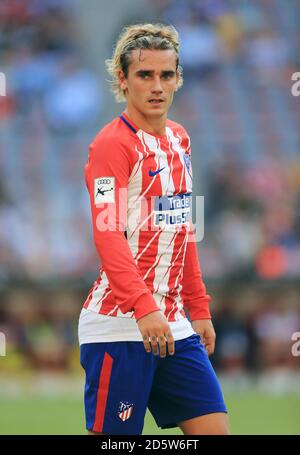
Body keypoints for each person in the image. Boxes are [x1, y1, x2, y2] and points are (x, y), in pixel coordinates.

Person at [78, 22, 229, 436]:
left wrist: (198, 307)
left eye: (167, 74)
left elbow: (183, 229)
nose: (157, 85)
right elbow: (107, 234)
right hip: (119, 324)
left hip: (175, 323)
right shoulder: (111, 145)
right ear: (123, 80)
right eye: (145, 75)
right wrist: (144, 308)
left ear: (178, 78)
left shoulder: (181, 139)